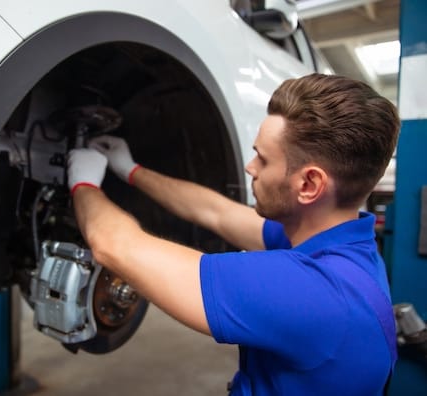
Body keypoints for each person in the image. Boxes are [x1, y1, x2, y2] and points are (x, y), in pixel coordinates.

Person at [66, 73, 400, 395]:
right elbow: (216, 213)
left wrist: (82, 184)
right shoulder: (340, 244)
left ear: (309, 184)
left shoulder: (313, 293)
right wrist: (131, 170)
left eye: (263, 159)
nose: (250, 167)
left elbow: (115, 247)